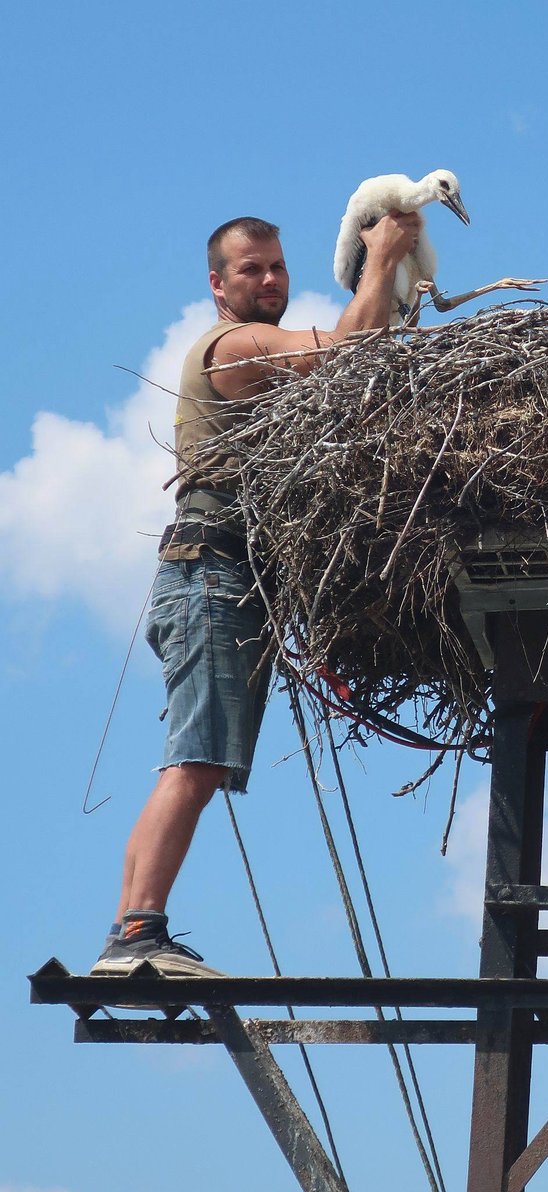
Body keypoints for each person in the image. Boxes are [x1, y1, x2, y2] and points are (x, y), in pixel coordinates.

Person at [91, 211, 422, 977]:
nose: (269, 280)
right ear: (217, 285)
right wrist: (382, 258)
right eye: (251, 270)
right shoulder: (233, 347)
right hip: (212, 569)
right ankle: (136, 934)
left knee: (193, 762)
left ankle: (132, 926)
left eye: (276, 267)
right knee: (196, 762)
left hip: (227, 571)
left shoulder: (262, 360)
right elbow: (346, 357)